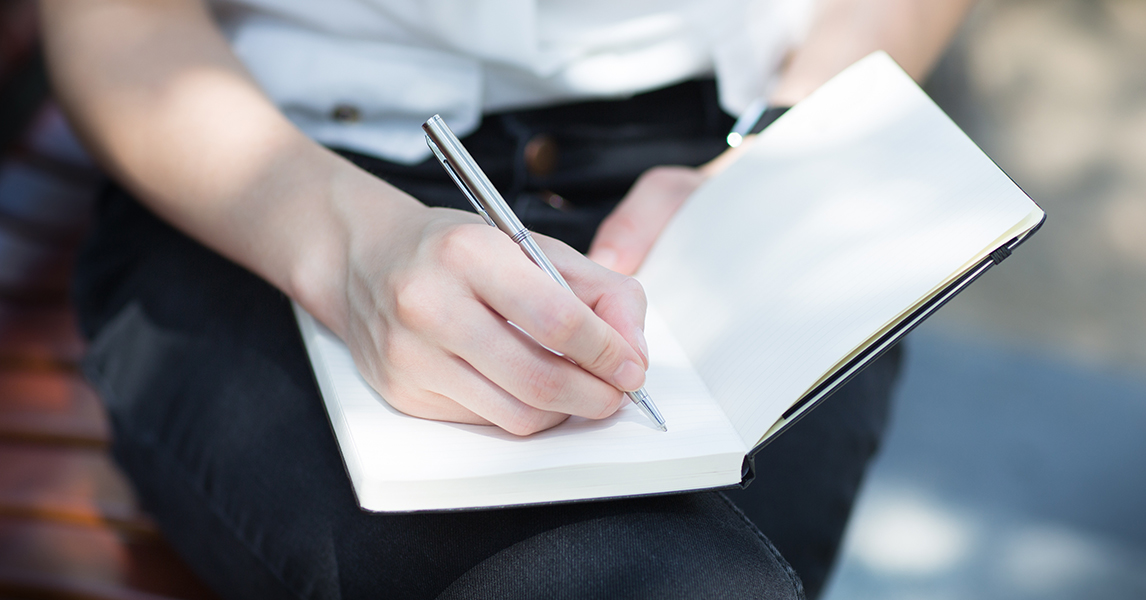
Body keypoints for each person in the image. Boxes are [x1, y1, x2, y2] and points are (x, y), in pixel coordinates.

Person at [40, 0, 973, 597]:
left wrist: (777, 145)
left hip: (734, 166)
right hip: (271, 189)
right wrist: (343, 246)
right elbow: (115, 20)